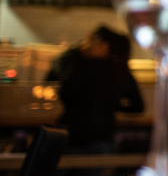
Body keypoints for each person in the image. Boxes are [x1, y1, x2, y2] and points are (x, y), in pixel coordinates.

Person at [46, 26, 145, 156]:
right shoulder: (121, 72)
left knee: (61, 175)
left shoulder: (81, 64)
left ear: (103, 45)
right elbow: (138, 107)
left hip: (73, 134)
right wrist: (112, 106)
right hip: (103, 135)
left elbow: (65, 94)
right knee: (94, 175)